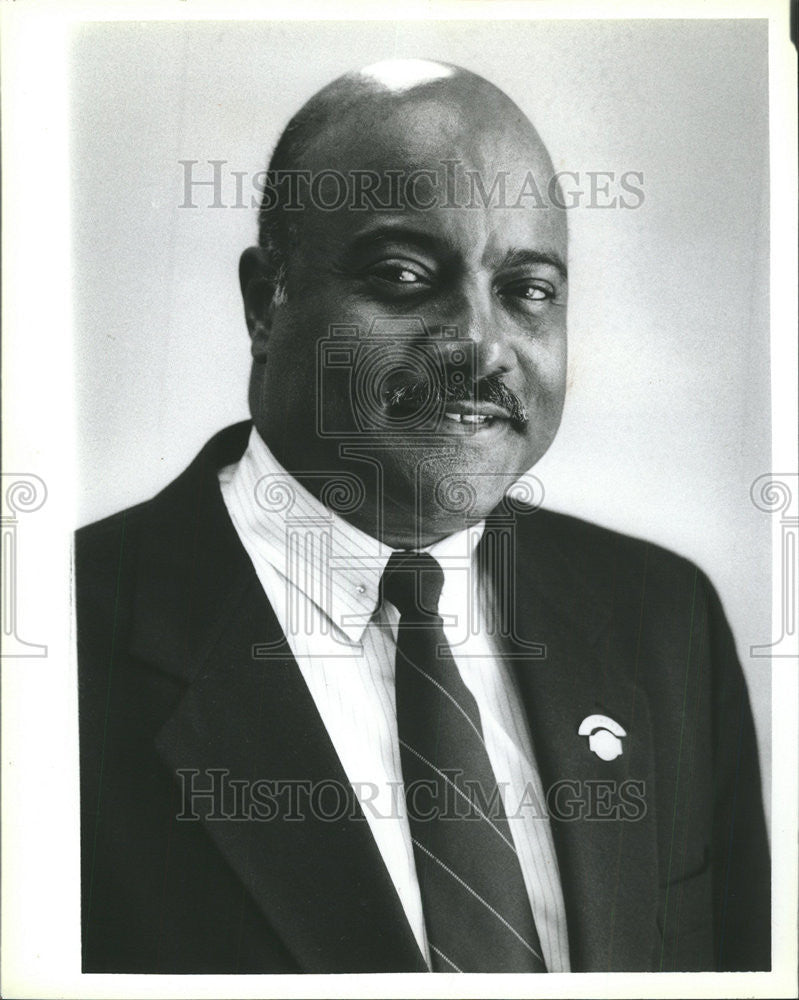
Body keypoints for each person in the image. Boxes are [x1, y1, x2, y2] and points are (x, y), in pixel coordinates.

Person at [76, 59, 770, 974]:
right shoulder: (68, 637)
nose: (482, 344)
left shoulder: (660, 617)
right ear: (264, 303)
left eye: (528, 290)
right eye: (404, 276)